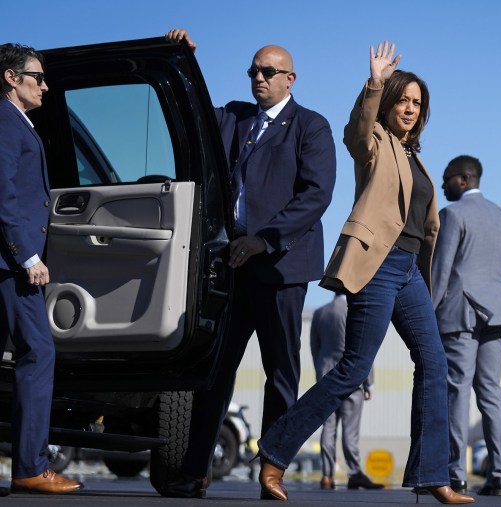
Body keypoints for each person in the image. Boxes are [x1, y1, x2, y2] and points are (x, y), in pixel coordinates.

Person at [255, 41, 474, 505]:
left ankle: (433, 475)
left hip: (409, 272)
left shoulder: (416, 159)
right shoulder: (375, 143)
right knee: (353, 369)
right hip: (377, 266)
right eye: (403, 100)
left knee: (434, 364)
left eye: (417, 103)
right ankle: (275, 452)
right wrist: (374, 84)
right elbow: (356, 131)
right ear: (390, 102)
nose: (410, 108)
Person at [162, 30, 336, 498]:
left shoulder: (311, 126)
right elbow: (189, 114)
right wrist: (183, 59)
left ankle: (272, 469)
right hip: (232, 267)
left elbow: (315, 196)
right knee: (215, 369)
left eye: (267, 72)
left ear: (290, 79)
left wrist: (264, 241)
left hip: (281, 268)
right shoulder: (235, 118)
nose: (257, 78)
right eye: (252, 71)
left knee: (281, 372)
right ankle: (196, 469)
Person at [0, 43, 84, 495]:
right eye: (38, 77)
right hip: (10, 263)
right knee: (38, 353)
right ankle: (31, 466)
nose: (45, 86)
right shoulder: (5, 121)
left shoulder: (16, 123)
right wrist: (28, 255)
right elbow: (3, 196)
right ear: (12, 78)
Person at [432, 155, 501, 496]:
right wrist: (496, 300)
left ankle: (457, 473)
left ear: (464, 179)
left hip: (460, 314)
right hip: (496, 314)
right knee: (491, 393)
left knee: (458, 391)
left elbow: (441, 272)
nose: (443, 186)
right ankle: (497, 474)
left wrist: (429, 311)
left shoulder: (452, 215)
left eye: (447, 179)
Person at [310, 294, 383, 491]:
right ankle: (354, 473)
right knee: (350, 432)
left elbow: (315, 348)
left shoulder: (320, 313)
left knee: (328, 427)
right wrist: (369, 383)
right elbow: (364, 349)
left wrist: (321, 371)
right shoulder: (356, 310)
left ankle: (327, 475)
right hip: (352, 378)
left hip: (326, 377)